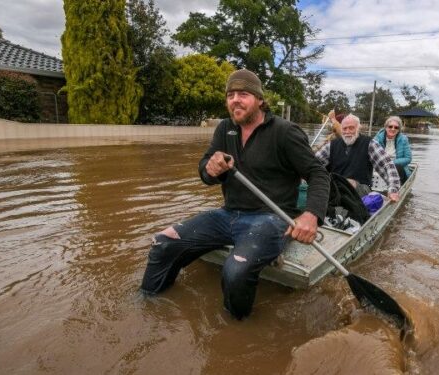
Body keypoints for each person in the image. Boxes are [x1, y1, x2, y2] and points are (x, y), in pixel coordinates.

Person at [140, 69, 330, 320]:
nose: (235, 100)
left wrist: (311, 215)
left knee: (235, 270)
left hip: (271, 219)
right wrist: (211, 168)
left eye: (243, 94)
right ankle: (145, 306)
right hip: (228, 214)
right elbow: (206, 174)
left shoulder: (285, 132)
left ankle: (235, 329)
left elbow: (318, 173)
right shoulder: (225, 129)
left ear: (260, 100)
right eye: (230, 95)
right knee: (163, 243)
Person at [315, 114, 401, 202]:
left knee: (348, 183)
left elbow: (387, 165)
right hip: (335, 187)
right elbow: (315, 162)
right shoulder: (332, 145)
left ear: (358, 128)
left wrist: (393, 190)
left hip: (361, 189)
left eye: (351, 128)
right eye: (344, 128)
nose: (347, 131)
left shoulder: (370, 144)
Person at [374, 116, 412, 185]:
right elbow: (372, 155)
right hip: (381, 167)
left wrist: (391, 162)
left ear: (399, 129)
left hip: (398, 168)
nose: (393, 129)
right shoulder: (377, 138)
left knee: (398, 167)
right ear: (386, 127)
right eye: (390, 126)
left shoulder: (404, 139)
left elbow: (408, 158)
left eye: (396, 127)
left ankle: (398, 188)